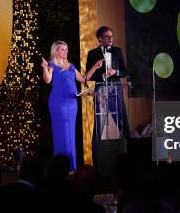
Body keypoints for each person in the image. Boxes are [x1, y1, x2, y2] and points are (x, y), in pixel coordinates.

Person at [41, 40, 103, 171]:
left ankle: (71, 167)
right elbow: (47, 80)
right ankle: (62, 169)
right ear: (56, 51)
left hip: (72, 103)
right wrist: (44, 67)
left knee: (70, 135)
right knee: (61, 135)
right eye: (62, 49)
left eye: (66, 49)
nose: (65, 51)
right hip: (58, 104)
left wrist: (95, 67)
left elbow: (83, 79)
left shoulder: (71, 65)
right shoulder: (51, 64)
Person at [85, 26, 131, 139]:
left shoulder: (117, 51)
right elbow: (88, 75)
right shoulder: (92, 53)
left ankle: (126, 151)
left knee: (121, 121)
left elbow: (125, 71)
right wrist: (102, 75)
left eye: (112, 36)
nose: (111, 38)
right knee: (100, 123)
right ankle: (98, 153)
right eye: (107, 36)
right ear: (100, 39)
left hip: (116, 91)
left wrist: (116, 71)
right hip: (100, 92)